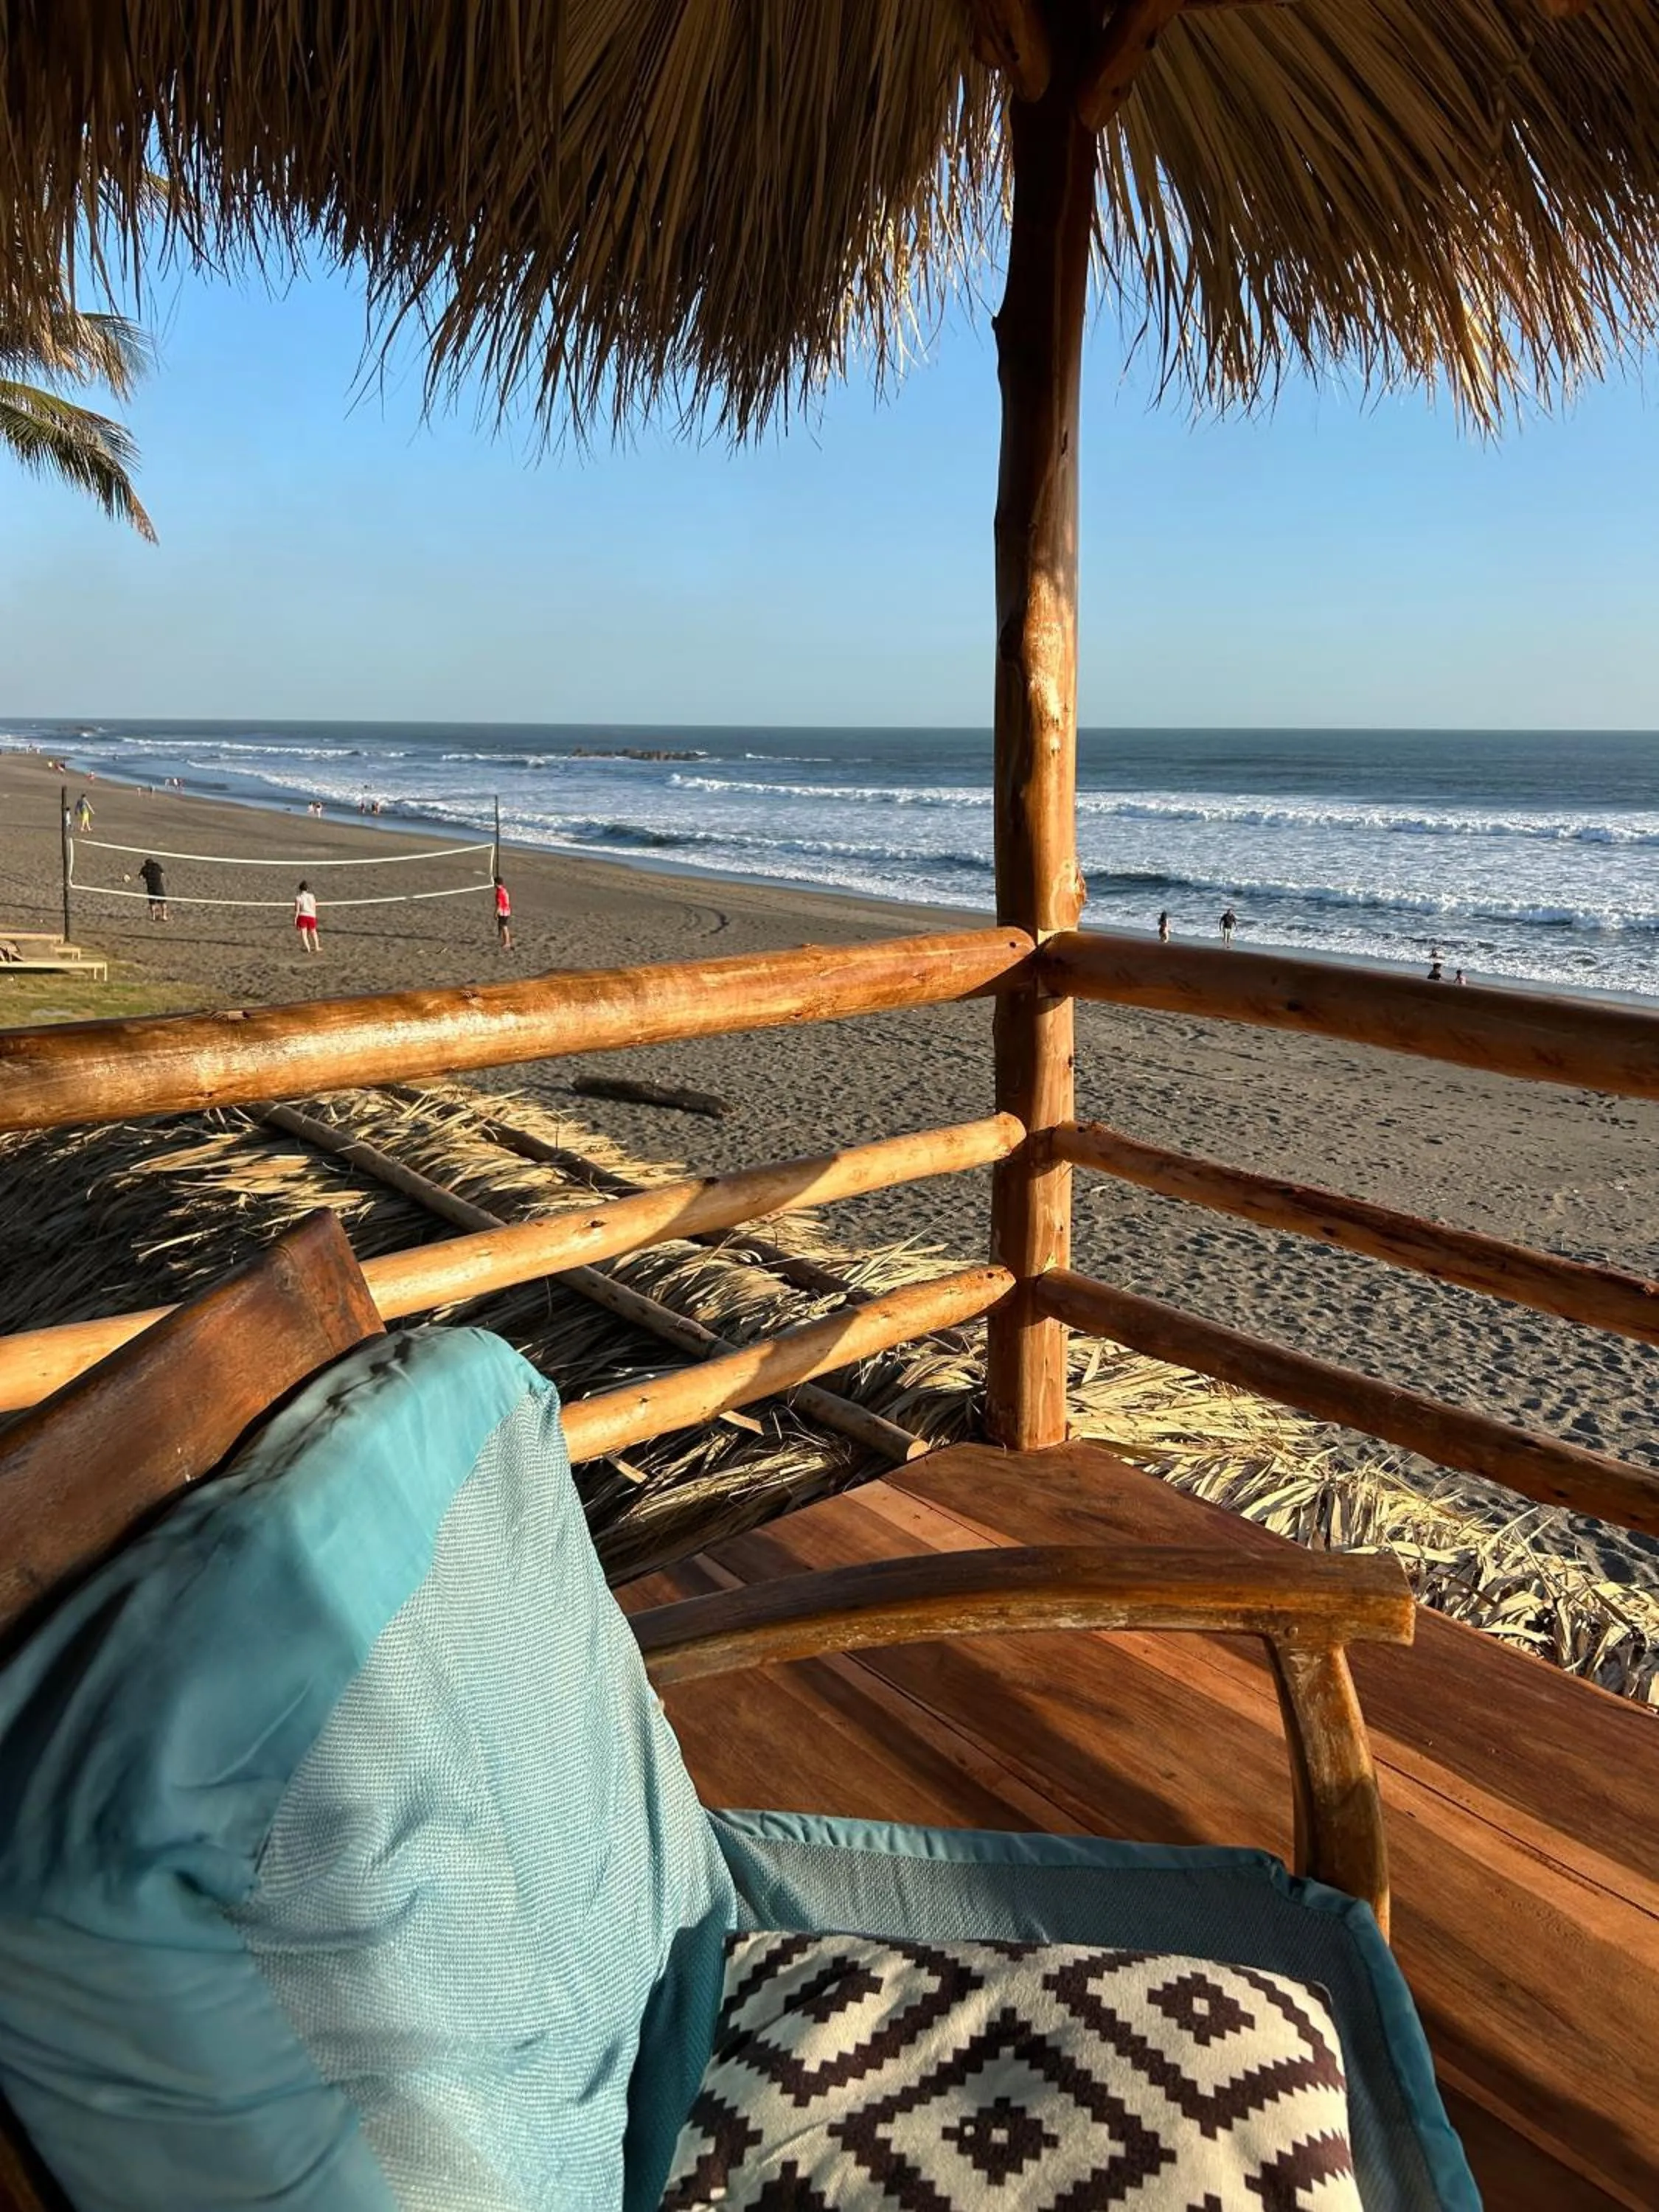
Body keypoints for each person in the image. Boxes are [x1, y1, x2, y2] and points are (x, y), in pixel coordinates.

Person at [139, 855, 168, 922]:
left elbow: (140, 877)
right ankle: (164, 916)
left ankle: (153, 917)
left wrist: (146, 877)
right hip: (158, 886)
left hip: (151, 887)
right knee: (163, 902)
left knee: (152, 903)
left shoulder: (145, 868)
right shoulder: (157, 866)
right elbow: (163, 874)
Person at [293, 880, 319, 953]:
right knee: (314, 932)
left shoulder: (298, 898)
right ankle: (317, 947)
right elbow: (314, 906)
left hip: (302, 916)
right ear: (307, 889)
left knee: (304, 934)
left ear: (299, 889)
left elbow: (297, 910)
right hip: (311, 915)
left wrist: (295, 919)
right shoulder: (312, 896)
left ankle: (308, 948)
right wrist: (314, 915)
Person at [494, 875, 513, 950]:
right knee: (503, 926)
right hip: (507, 910)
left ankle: (507, 943)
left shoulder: (499, 892)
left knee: (504, 927)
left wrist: (496, 913)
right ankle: (506, 942)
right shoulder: (504, 890)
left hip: (503, 912)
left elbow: (499, 904)